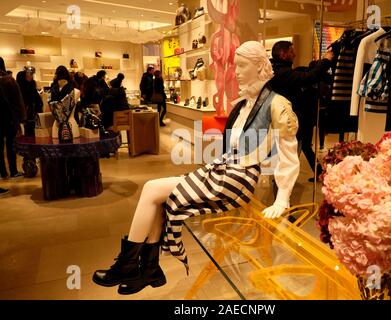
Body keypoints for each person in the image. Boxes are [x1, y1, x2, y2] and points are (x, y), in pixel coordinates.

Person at [92, 41, 300, 295]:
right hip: (224, 170)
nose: (235, 72)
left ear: (258, 67)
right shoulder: (244, 104)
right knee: (158, 197)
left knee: (151, 188)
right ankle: (148, 269)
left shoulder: (278, 105)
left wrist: (282, 199)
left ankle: (129, 265)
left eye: (241, 66)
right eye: (236, 66)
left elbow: (289, 157)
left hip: (238, 179)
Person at [269, 41, 334, 182]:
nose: (295, 54)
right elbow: (308, 77)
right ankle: (285, 177)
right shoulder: (282, 73)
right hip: (290, 119)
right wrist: (326, 61)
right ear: (283, 54)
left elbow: (307, 74)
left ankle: (318, 173)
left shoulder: (278, 70)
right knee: (291, 149)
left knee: (301, 145)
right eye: (292, 51)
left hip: (291, 118)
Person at [0, 57, 26, 179]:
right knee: (11, 145)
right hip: (10, 117)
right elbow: (17, 100)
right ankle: (13, 170)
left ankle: (3, 172)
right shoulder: (9, 80)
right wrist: (21, 118)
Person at [16, 68, 43, 137]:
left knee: (30, 132)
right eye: (27, 75)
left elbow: (38, 101)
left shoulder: (30, 86)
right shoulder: (23, 88)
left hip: (31, 114)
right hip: (27, 114)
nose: (30, 76)